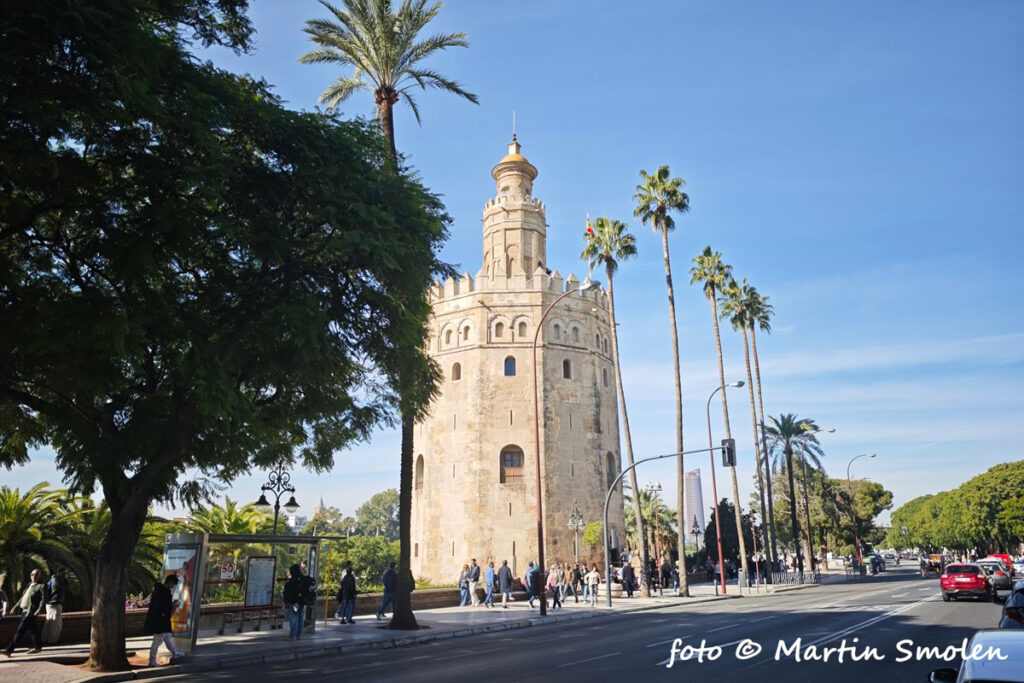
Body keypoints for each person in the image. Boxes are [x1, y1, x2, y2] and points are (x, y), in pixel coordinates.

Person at [143, 574, 185, 667]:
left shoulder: (162, 591)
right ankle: (152, 661)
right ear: (169, 582)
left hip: (163, 619)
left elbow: (164, 605)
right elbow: (160, 606)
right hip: (159, 620)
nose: (173, 586)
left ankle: (175, 653)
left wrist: (171, 605)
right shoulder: (161, 592)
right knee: (157, 641)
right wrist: (172, 606)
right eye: (173, 584)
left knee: (168, 637)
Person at [3, 569, 45, 657]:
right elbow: (22, 598)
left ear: (39, 576)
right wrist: (15, 607)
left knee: (20, 631)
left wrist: (39, 609)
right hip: (24, 611)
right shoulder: (29, 585)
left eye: (36, 574)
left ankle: (9, 650)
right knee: (33, 630)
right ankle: (38, 647)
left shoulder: (41, 586)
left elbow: (43, 599)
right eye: (32, 574)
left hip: (30, 612)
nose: (34, 576)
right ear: (30, 576)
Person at [283, 564, 313, 639]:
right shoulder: (303, 580)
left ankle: (293, 635)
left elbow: (288, 592)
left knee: (294, 617)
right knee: (300, 618)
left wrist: (287, 600)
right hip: (301, 602)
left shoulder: (292, 581)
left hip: (294, 602)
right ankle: (299, 635)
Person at [41, 567, 68, 645]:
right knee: (55, 624)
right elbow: (65, 587)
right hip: (55, 604)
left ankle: (44, 639)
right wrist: (65, 579)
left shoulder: (51, 579)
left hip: (49, 604)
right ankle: (52, 641)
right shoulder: (58, 579)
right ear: (62, 572)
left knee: (48, 622)